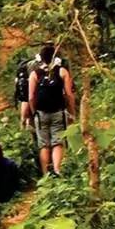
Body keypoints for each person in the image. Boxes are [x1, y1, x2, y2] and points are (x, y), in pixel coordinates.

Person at [27, 43, 77, 176]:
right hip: (58, 112)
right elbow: (69, 94)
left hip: (41, 112)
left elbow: (30, 97)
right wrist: (72, 112)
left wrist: (34, 113)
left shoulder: (35, 74)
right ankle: (57, 170)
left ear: (41, 58)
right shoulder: (62, 71)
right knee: (57, 142)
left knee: (43, 144)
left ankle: (45, 174)